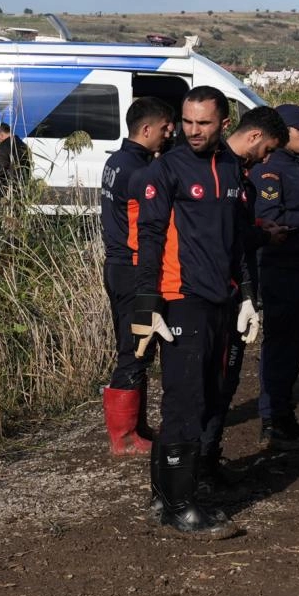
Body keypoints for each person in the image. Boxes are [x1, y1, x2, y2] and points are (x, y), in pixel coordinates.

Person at [130, 92, 287, 536]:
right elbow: (149, 238)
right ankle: (179, 505)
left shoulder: (233, 170)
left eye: (203, 123)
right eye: (187, 122)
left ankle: (165, 497)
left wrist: (247, 296)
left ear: (224, 123)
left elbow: (236, 238)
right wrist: (148, 304)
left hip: (222, 298)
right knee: (185, 401)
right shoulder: (165, 170)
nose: (193, 131)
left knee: (209, 393)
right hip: (181, 298)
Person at [97, 96, 176, 456]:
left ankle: (136, 427)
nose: (168, 134)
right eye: (164, 128)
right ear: (146, 129)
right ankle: (124, 436)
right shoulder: (139, 171)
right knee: (135, 349)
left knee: (132, 346)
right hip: (131, 267)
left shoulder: (116, 161)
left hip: (116, 265)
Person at [251, 104, 299, 452]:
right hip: (280, 265)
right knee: (280, 344)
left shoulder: (294, 166)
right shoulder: (272, 170)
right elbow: (270, 218)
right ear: (282, 133)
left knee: (294, 344)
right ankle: (273, 419)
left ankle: (283, 416)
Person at [0, 122, 32, 198]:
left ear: (1, 135)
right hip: (23, 185)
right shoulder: (24, 145)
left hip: (8, 187)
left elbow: (1, 170)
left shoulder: (3, 146)